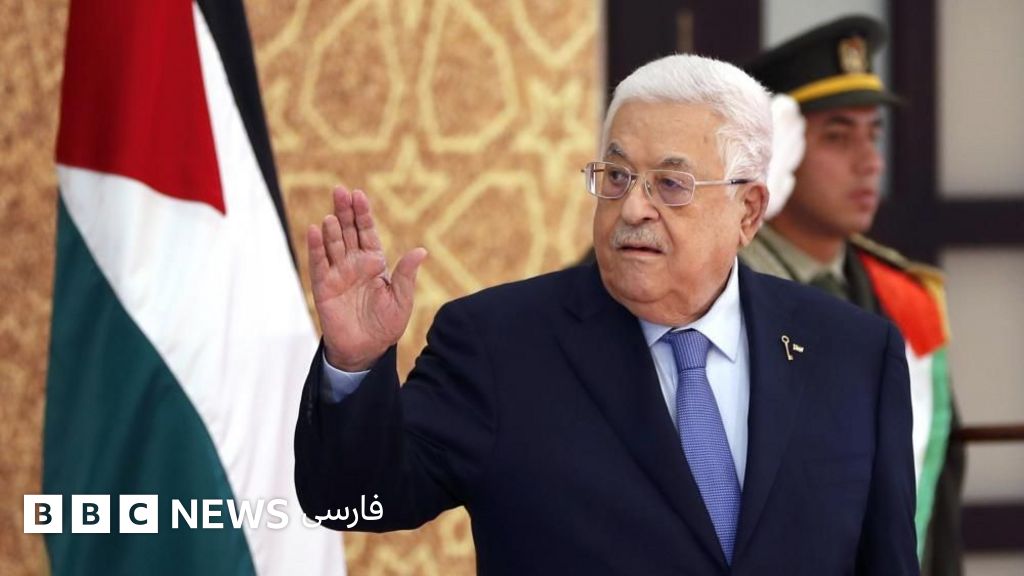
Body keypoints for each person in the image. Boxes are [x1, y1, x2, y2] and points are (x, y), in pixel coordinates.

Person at [295, 54, 918, 574]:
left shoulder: (853, 354)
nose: (634, 208)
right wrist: (354, 362)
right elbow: (352, 499)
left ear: (748, 212)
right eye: (616, 177)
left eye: (670, 185)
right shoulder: (499, 345)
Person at [739, 15, 963, 576]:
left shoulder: (901, 296)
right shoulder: (710, 281)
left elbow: (937, 498)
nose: (870, 162)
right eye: (837, 137)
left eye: (873, 134)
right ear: (777, 149)